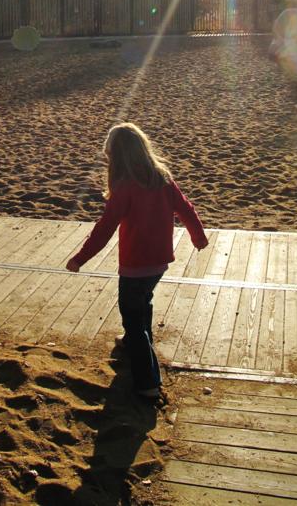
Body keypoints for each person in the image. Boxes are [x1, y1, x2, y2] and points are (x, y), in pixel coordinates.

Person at [66, 122, 209, 399]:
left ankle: (148, 384)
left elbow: (105, 228)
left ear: (117, 157)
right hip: (159, 261)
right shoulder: (162, 177)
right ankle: (134, 339)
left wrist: (80, 258)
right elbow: (186, 209)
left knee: (132, 315)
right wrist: (198, 237)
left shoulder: (125, 187)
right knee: (143, 302)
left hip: (135, 264)